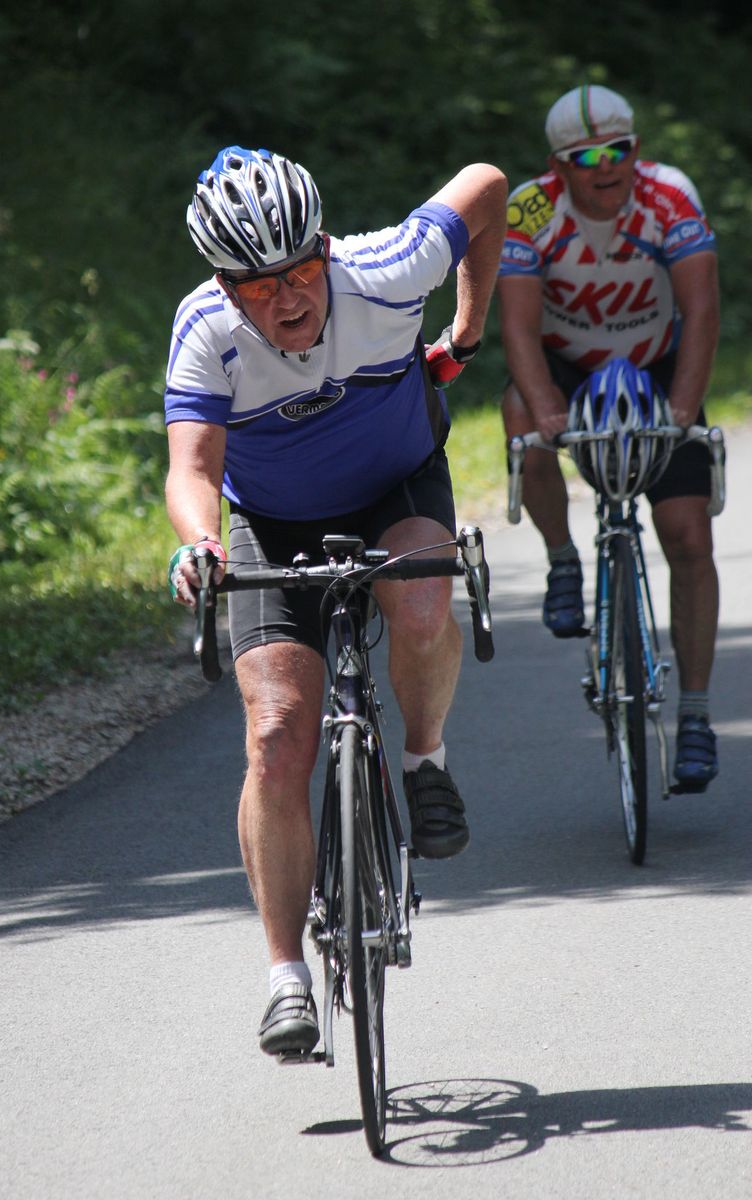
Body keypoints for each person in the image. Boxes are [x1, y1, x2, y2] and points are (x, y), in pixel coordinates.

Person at [164, 146, 507, 1056]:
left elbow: (484, 185)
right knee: (278, 735)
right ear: (225, 287)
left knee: (423, 603)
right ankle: (286, 977)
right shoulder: (205, 329)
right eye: (257, 285)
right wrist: (200, 542)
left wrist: (466, 332)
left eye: (301, 270)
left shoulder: (387, 271)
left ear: (324, 248)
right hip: (273, 522)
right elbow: (192, 468)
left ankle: (425, 759)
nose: (287, 299)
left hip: (397, 487)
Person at [497, 84, 721, 794]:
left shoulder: (670, 196)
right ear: (558, 165)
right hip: (569, 363)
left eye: (617, 151)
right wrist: (545, 406)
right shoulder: (530, 210)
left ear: (636, 151)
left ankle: (695, 715)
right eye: (586, 157)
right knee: (519, 415)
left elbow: (702, 309)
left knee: (687, 535)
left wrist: (681, 410)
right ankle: (563, 560)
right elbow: (518, 328)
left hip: (657, 365)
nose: (606, 167)